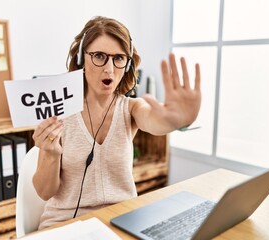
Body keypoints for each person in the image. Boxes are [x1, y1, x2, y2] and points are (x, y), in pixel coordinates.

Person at [32, 16, 201, 229]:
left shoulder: (132, 108)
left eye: (119, 58)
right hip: (66, 224)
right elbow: (44, 192)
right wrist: (51, 153)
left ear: (127, 63)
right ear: (81, 59)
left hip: (122, 221)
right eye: (99, 56)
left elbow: (155, 121)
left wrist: (177, 120)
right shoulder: (60, 111)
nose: (110, 69)